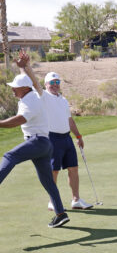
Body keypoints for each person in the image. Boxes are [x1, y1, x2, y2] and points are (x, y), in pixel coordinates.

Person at [17, 51, 93, 211]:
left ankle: (76, 200)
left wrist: (78, 136)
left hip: (66, 139)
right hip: (52, 139)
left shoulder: (63, 100)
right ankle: (53, 201)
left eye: (57, 81)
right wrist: (26, 66)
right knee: (54, 170)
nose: (55, 84)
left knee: (73, 168)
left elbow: (69, 120)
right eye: (52, 82)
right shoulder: (43, 96)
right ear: (46, 85)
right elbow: (34, 82)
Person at [0, 73, 69, 228]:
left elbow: (19, 120)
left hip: (37, 142)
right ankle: (61, 214)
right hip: (44, 145)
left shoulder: (30, 100)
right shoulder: (29, 98)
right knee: (48, 182)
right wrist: (23, 67)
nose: (12, 91)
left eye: (15, 88)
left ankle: (60, 213)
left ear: (24, 88)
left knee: (9, 156)